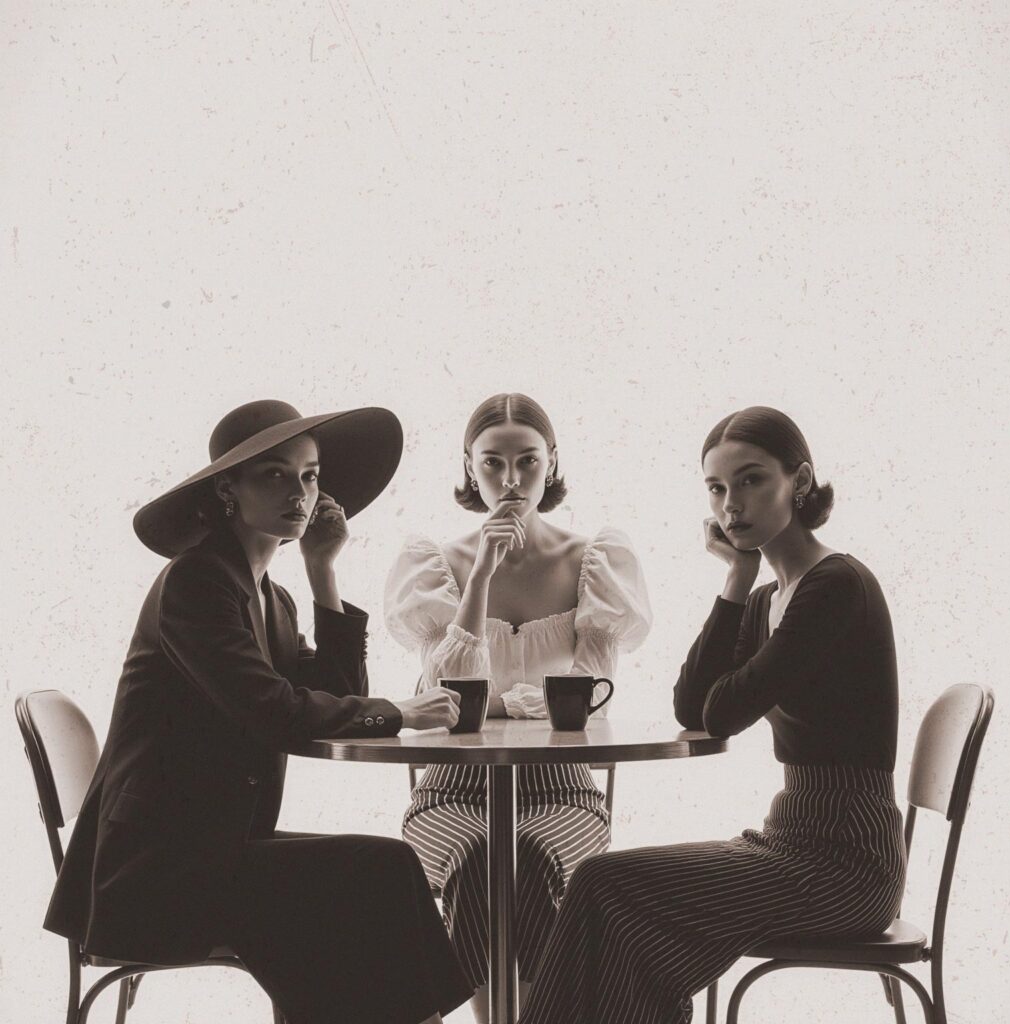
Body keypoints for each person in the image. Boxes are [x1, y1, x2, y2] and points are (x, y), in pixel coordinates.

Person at [44, 400, 472, 1024]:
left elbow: (334, 689)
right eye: (273, 474)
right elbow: (277, 713)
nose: (299, 492)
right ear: (226, 490)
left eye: (310, 474)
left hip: (213, 854)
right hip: (155, 878)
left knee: (376, 880)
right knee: (376, 873)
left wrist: (323, 570)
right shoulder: (197, 583)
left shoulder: (271, 599)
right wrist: (399, 713)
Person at [520, 406, 907, 1024]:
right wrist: (736, 575)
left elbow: (722, 713)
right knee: (623, 915)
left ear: (799, 481)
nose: (732, 505)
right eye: (717, 488)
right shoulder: (769, 596)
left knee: (603, 882)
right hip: (793, 839)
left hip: (846, 864)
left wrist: (740, 588)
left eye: (752, 480)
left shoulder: (835, 586)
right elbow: (690, 707)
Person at [384, 393, 652, 1023]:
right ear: (468, 468)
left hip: (563, 793)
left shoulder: (594, 561)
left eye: (527, 462)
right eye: (492, 464)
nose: (510, 481)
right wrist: (478, 578)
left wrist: (512, 704)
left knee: (524, 857)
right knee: (482, 860)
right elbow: (447, 695)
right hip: (451, 795)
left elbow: (587, 699)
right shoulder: (436, 564)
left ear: (552, 462)